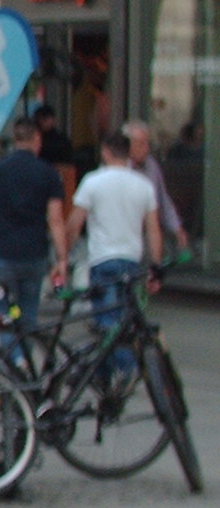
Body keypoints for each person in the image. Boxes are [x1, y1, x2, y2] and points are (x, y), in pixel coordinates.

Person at [72, 129, 164, 363]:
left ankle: (115, 371)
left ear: (105, 152)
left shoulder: (92, 182)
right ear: (128, 154)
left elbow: (75, 223)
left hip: (102, 259)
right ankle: (121, 370)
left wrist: (63, 258)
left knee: (105, 321)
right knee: (125, 320)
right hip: (131, 260)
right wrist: (156, 265)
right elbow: (153, 229)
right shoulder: (143, 185)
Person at [0, 117, 67, 330]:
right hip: (34, 255)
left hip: (2, 254)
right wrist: (61, 258)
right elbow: (56, 220)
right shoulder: (48, 173)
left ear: (15, 140)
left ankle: (13, 355)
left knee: (5, 311)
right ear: (37, 139)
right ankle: (24, 355)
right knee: (28, 310)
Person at [125, 121, 189, 260]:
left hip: (147, 232)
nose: (146, 148)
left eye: (148, 143)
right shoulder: (116, 168)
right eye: (141, 144)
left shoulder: (151, 165)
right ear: (127, 145)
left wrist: (177, 228)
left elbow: (163, 199)